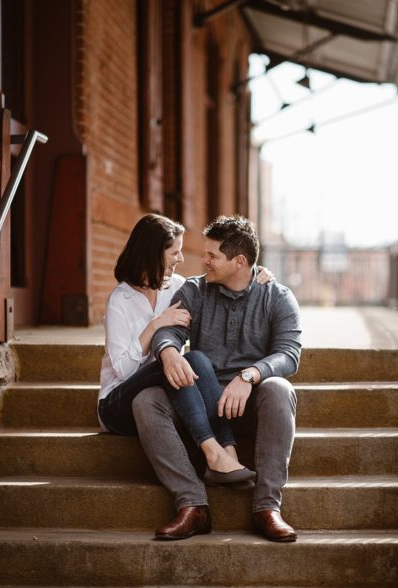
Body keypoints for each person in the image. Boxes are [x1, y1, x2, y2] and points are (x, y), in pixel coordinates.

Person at [133, 215, 301, 543]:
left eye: (212, 256)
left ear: (239, 262)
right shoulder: (196, 290)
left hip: (249, 404)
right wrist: (167, 351)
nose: (203, 260)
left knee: (279, 389)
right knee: (146, 400)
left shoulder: (277, 297)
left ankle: (267, 507)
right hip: (200, 403)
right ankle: (193, 504)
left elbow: (289, 355)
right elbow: (169, 331)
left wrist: (250, 375)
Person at [98, 213, 260, 482]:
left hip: (163, 389)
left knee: (195, 358)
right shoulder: (120, 299)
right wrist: (155, 325)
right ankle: (214, 451)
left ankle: (226, 452)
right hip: (117, 403)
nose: (181, 259)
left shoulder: (178, 287)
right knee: (180, 361)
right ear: (154, 252)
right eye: (175, 252)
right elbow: (124, 371)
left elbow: (230, 275)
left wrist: (258, 273)